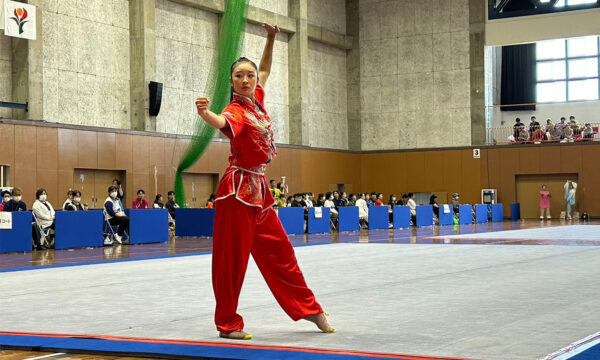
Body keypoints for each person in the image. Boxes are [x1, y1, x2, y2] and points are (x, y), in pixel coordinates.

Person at [194, 23, 333, 340]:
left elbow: (267, 68)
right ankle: (228, 323)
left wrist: (271, 38)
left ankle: (310, 309)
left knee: (282, 252)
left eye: (250, 75)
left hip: (260, 192)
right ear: (231, 82)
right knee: (232, 260)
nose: (246, 80)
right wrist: (206, 115)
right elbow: (222, 122)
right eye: (239, 76)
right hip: (236, 193)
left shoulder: (256, 98)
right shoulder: (236, 110)